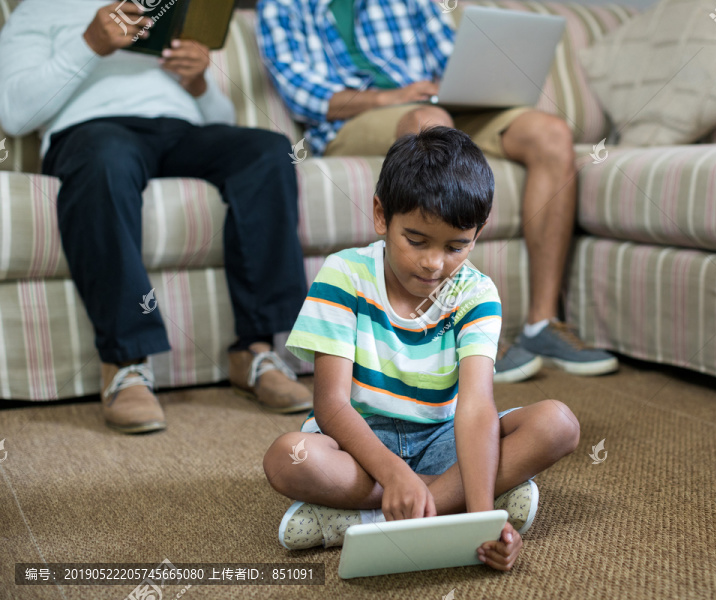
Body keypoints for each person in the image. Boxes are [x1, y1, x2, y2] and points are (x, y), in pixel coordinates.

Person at [263, 127, 580, 571]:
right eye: (416, 241)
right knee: (288, 458)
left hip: (440, 440)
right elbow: (331, 407)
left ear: (479, 231)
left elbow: (476, 409)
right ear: (381, 215)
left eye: (456, 246)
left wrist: (482, 521)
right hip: (357, 445)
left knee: (558, 424)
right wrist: (394, 475)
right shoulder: (343, 275)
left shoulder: (477, 294)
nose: (434, 263)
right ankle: (446, 499)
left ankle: (377, 515)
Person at [257, 0, 619, 383]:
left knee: (551, 134)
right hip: (354, 119)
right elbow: (303, 93)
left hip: (439, 107)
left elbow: (451, 59)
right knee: (429, 123)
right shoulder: (282, 5)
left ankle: (542, 323)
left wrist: (469, 85)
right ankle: (453, 325)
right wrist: (390, 97)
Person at [0, 0, 312, 433]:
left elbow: (221, 120)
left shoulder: (163, 9)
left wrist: (200, 83)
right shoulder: (39, 10)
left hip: (180, 131)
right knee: (105, 161)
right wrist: (89, 44)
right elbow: (14, 114)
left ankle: (255, 350)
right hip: (94, 132)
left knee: (268, 151)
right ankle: (125, 361)